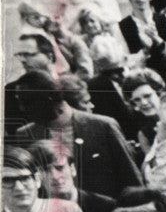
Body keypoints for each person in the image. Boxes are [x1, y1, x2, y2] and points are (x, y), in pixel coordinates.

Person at [13, 71, 143, 201]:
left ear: (49, 99)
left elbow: (132, 179)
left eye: (27, 102)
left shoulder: (103, 126)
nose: (22, 108)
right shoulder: (26, 135)